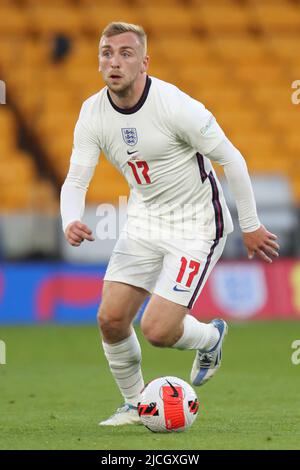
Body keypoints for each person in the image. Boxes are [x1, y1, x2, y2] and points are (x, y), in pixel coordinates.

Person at [60, 22, 280, 426]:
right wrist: (70, 218)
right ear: (98, 61)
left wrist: (250, 225)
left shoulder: (177, 106)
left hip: (197, 223)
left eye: (126, 53)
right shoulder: (92, 112)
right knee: (110, 319)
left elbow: (232, 159)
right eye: (107, 52)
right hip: (145, 219)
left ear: (145, 62)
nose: (115, 61)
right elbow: (76, 179)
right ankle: (133, 404)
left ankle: (211, 337)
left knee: (158, 330)